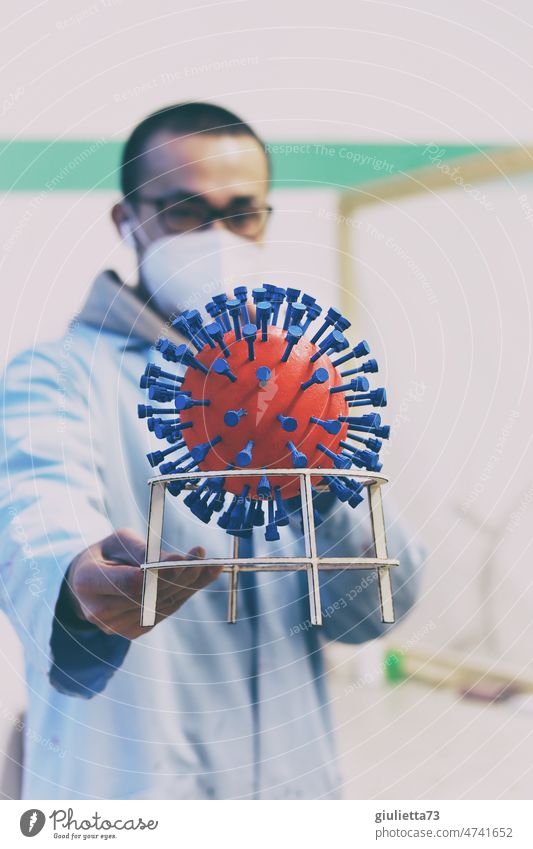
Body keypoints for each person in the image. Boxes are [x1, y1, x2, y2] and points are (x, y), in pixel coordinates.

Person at [0, 102, 424, 800]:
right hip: (132, 793)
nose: (218, 238)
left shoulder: (310, 385)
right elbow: (34, 501)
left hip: (293, 792)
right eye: (186, 213)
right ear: (127, 221)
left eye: (241, 214)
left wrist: (318, 467)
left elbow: (379, 607)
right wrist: (80, 575)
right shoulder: (55, 376)